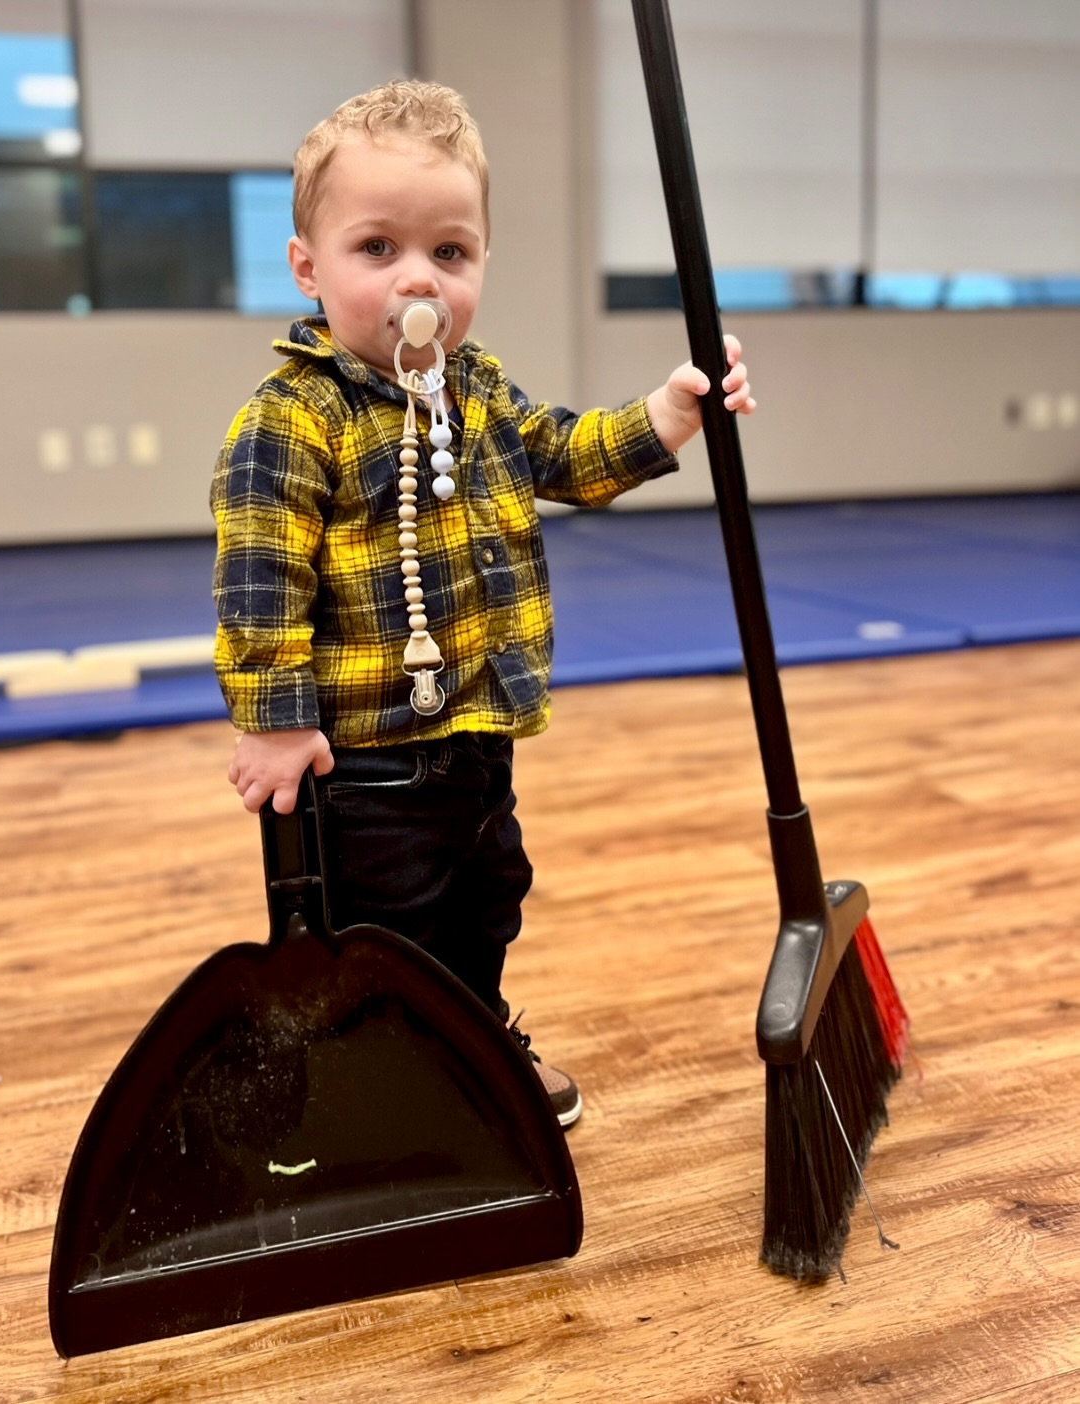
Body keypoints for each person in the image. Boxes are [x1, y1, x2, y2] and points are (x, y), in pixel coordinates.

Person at [211, 79, 755, 1129]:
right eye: (377, 249)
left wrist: (668, 414)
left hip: (478, 731)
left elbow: (571, 453)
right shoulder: (292, 421)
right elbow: (257, 581)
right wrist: (274, 721)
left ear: (479, 268)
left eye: (449, 254)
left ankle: (473, 1033)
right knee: (388, 919)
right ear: (307, 267)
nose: (419, 278)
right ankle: (387, 1067)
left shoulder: (482, 395)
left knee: (485, 896)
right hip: (365, 754)